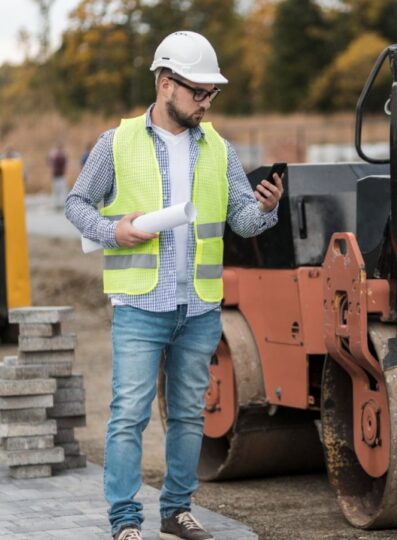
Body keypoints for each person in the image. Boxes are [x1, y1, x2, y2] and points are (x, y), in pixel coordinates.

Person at [65, 30, 284, 540]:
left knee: (188, 415)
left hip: (200, 307)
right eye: (198, 92)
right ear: (166, 84)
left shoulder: (220, 150)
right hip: (141, 304)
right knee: (128, 417)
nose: (206, 102)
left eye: (212, 93)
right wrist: (111, 231)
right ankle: (124, 521)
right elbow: (77, 204)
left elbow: (242, 222)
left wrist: (266, 209)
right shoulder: (115, 142)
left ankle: (176, 511)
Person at [48, 142, 68, 210]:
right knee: (61, 191)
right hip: (59, 176)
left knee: (58, 191)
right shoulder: (58, 156)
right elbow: (63, 161)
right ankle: (59, 204)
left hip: (57, 176)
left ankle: (58, 204)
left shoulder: (54, 155)